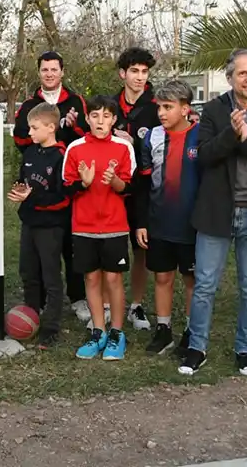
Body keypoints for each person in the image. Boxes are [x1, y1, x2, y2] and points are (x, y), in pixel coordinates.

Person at [179, 48, 247, 377]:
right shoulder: (213, 110)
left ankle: (246, 349)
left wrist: (246, 140)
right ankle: (196, 347)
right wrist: (231, 133)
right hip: (216, 213)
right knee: (204, 286)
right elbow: (204, 155)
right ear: (230, 78)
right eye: (243, 73)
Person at [12, 51, 91, 322]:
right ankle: (39, 303)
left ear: (62, 71)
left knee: (70, 245)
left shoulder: (77, 101)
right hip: (39, 180)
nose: (49, 73)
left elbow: (88, 136)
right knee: (39, 257)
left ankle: (78, 297)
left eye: (54, 69)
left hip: (67, 181)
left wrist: (72, 127)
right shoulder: (29, 105)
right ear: (39, 72)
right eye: (44, 69)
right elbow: (21, 140)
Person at [62, 95, 135, 361]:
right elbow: (67, 188)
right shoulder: (75, 148)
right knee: (91, 279)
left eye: (106, 116)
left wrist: (114, 180)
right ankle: (98, 331)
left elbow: (128, 187)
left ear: (114, 120)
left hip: (114, 226)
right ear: (88, 119)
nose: (100, 121)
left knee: (113, 279)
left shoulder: (123, 148)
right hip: (84, 227)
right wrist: (84, 182)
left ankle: (117, 333)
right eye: (95, 116)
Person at [134, 82, 200, 357]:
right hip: (158, 221)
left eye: (168, 107)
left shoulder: (202, 136)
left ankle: (191, 331)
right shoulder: (151, 137)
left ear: (185, 109)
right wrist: (141, 221)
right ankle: (163, 330)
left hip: (192, 225)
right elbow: (142, 183)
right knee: (162, 276)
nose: (161, 112)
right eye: (159, 106)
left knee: (191, 279)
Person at [8, 103, 69, 350]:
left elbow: (63, 198)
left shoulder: (61, 156)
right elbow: (26, 181)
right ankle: (31, 317)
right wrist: (20, 189)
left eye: (34, 128)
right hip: (29, 223)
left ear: (50, 127)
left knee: (51, 277)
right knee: (28, 273)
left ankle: (51, 328)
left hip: (51, 227)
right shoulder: (30, 153)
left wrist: (31, 198)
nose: (30, 133)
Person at [112, 47, 160, 331]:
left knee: (140, 247)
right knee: (110, 247)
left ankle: (136, 305)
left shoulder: (156, 107)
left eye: (144, 72)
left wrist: (133, 142)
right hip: (112, 189)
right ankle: (108, 305)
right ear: (123, 73)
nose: (140, 77)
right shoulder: (110, 106)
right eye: (135, 72)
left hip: (144, 189)